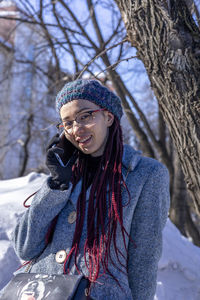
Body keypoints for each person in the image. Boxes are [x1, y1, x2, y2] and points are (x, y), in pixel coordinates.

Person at [12, 79, 170, 299]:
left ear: (108, 116)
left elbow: (144, 259)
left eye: (85, 116)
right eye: (67, 123)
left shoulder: (146, 174)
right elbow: (24, 248)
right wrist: (57, 184)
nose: (76, 128)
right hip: (40, 291)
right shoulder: (64, 175)